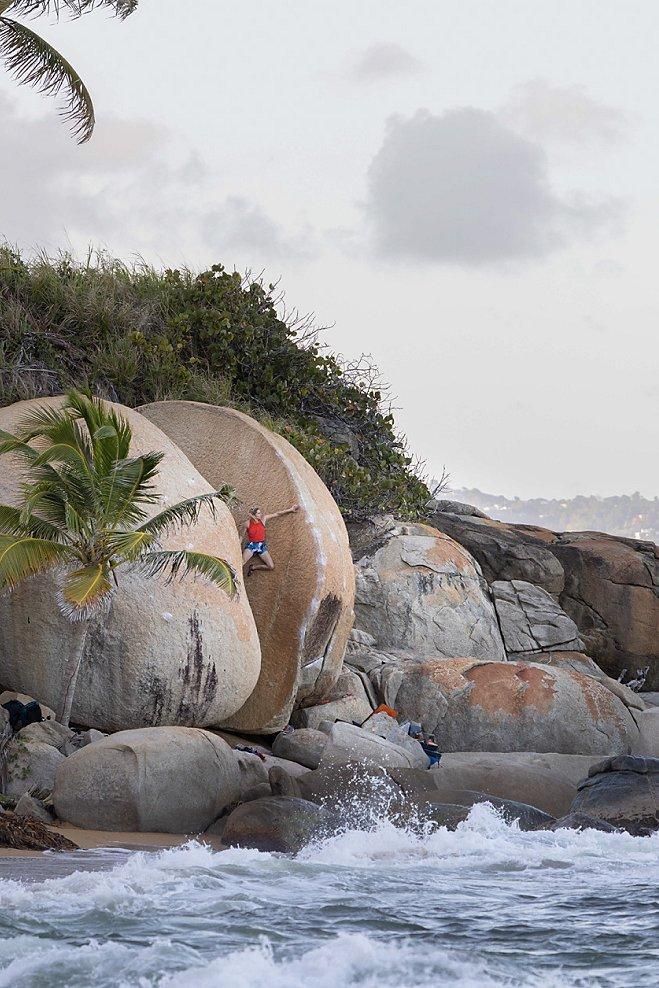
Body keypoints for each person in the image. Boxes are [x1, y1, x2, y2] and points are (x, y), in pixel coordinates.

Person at [243, 503, 300, 576]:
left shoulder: (263, 519)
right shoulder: (247, 523)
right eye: (258, 513)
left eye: (260, 513)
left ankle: (253, 567)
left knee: (271, 566)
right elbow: (241, 536)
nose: (261, 514)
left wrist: (290, 509)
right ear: (254, 515)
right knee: (242, 562)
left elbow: (277, 514)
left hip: (261, 546)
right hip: (252, 546)